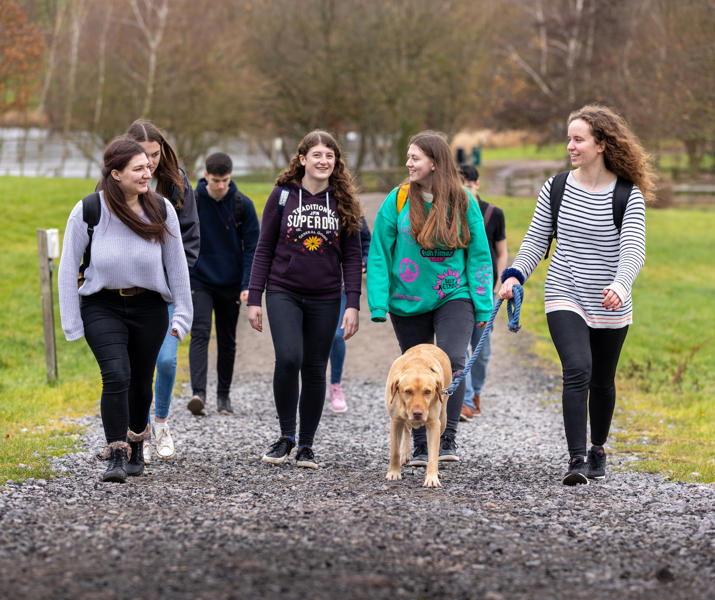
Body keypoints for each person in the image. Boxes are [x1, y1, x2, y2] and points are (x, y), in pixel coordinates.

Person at [498, 104, 652, 485]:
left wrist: (620, 284)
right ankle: (577, 458)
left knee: (602, 380)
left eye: (578, 139)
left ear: (600, 144)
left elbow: (634, 247)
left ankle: (598, 447)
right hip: (565, 291)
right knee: (577, 370)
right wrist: (516, 274)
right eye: (569, 138)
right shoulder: (557, 188)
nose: (570, 146)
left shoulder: (626, 194)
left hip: (611, 300)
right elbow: (537, 239)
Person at [58, 136, 192, 483]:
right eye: (139, 168)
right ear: (116, 173)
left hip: (149, 307)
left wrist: (182, 316)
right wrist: (72, 322)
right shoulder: (89, 210)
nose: (148, 172)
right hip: (102, 305)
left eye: (149, 166)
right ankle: (116, 453)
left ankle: (137, 440)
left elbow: (177, 267)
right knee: (116, 374)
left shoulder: (161, 209)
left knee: (140, 382)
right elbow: (68, 267)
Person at [367, 131, 493, 465]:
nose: (408, 163)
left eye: (415, 158)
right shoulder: (398, 200)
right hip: (407, 298)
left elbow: (479, 255)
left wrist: (482, 303)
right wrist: (378, 303)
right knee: (416, 372)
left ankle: (447, 437)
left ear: (434, 163)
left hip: (454, 293)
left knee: (452, 360)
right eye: (408, 157)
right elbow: (379, 252)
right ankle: (422, 445)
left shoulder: (463, 201)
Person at [247, 130, 363, 469]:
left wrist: (352, 304)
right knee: (288, 358)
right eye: (317, 155)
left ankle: (307, 445)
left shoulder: (343, 202)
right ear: (302, 160)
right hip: (284, 291)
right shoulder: (282, 196)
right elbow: (264, 247)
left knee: (315, 367)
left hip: (327, 297)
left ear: (335, 162)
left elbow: (353, 257)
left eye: (330, 156)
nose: (323, 161)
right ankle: (286, 436)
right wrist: (255, 297)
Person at [126, 119, 200, 462]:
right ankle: (133, 433)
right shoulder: (117, 181)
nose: (150, 162)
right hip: (130, 291)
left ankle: (162, 424)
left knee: (166, 360)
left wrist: (175, 278)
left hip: (168, 291)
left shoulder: (176, 183)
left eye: (155, 154)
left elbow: (191, 238)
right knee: (133, 366)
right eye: (143, 155)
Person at [186, 152, 260, 416]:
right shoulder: (191, 202)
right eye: (215, 180)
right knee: (201, 333)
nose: (220, 186)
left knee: (227, 340)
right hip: (199, 279)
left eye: (225, 180)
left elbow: (253, 247)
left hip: (230, 283)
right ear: (205, 176)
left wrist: (247, 284)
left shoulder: (242, 204)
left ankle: (223, 397)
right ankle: (198, 394)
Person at [457, 165, 507, 421]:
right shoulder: (453, 212)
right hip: (459, 288)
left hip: (486, 289)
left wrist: (498, 285)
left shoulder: (493, 213)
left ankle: (475, 392)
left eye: (467, 183)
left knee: (482, 348)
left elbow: (501, 252)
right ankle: (463, 401)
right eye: (458, 183)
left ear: (476, 184)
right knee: (460, 348)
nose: (463, 188)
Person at [327, 216, 371, 413]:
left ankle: (335, 385)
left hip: (341, 288)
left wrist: (365, 259)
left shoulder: (350, 208)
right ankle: (313, 386)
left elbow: (366, 240)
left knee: (337, 336)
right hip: (309, 287)